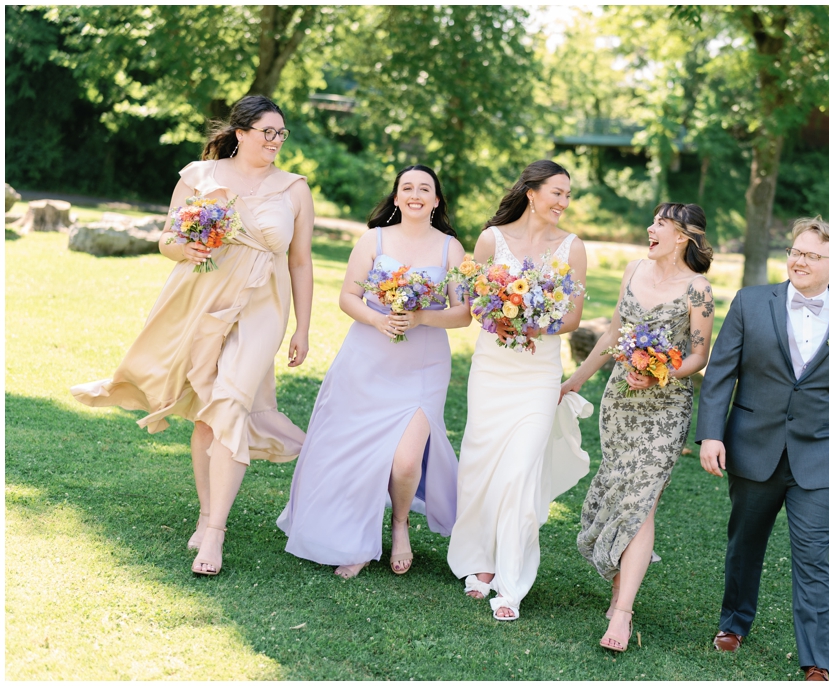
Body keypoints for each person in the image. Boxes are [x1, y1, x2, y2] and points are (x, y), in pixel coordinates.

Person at [72, 95, 314, 576]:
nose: (275, 141)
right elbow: (167, 240)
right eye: (268, 131)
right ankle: (205, 516)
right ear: (241, 133)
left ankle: (217, 533)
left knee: (230, 403)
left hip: (264, 305)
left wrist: (303, 328)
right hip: (202, 298)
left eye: (281, 133)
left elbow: (301, 261)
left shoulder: (294, 189)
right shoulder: (198, 177)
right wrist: (187, 247)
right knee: (206, 413)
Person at [695, 217, 829, 680]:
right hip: (753, 446)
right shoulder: (751, 302)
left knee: (814, 556)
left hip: (820, 458)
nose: (799, 260)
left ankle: (816, 660)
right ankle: (734, 624)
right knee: (745, 543)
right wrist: (711, 434)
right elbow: (720, 373)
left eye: (811, 255)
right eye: (795, 251)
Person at [277, 165, 468, 578]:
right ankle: (354, 539)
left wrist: (420, 319)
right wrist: (378, 319)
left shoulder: (451, 249)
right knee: (355, 454)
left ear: (436, 201)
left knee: (404, 462)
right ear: (397, 198)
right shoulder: (373, 239)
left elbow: (463, 313)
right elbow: (347, 297)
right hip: (366, 359)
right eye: (407, 188)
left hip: (423, 366)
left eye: (425, 189)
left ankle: (399, 525)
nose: (415, 194)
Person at [560, 203, 715, 652]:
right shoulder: (632, 270)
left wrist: (660, 373)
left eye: (660, 225)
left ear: (682, 237)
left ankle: (623, 614)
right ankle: (619, 590)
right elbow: (611, 338)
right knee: (621, 493)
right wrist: (573, 382)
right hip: (621, 402)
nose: (649, 229)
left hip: (665, 409)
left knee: (643, 501)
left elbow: (699, 356)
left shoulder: (699, 290)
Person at [447, 160, 591, 621]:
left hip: (538, 374)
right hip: (492, 369)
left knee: (519, 473)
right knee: (480, 465)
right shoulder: (492, 238)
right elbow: (472, 305)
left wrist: (528, 322)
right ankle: (480, 562)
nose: (563, 203)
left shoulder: (574, 248)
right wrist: (503, 318)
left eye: (568, 195)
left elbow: (570, 319)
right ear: (531, 192)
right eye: (557, 192)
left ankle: (511, 582)